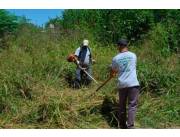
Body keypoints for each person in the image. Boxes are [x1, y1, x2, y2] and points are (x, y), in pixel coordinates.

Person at [110, 39, 140, 129]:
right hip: (133, 83)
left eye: (117, 46)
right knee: (132, 105)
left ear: (119, 46)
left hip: (122, 85)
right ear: (126, 45)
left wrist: (112, 73)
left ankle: (122, 126)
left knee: (122, 106)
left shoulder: (115, 58)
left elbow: (113, 71)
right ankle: (130, 126)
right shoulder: (133, 55)